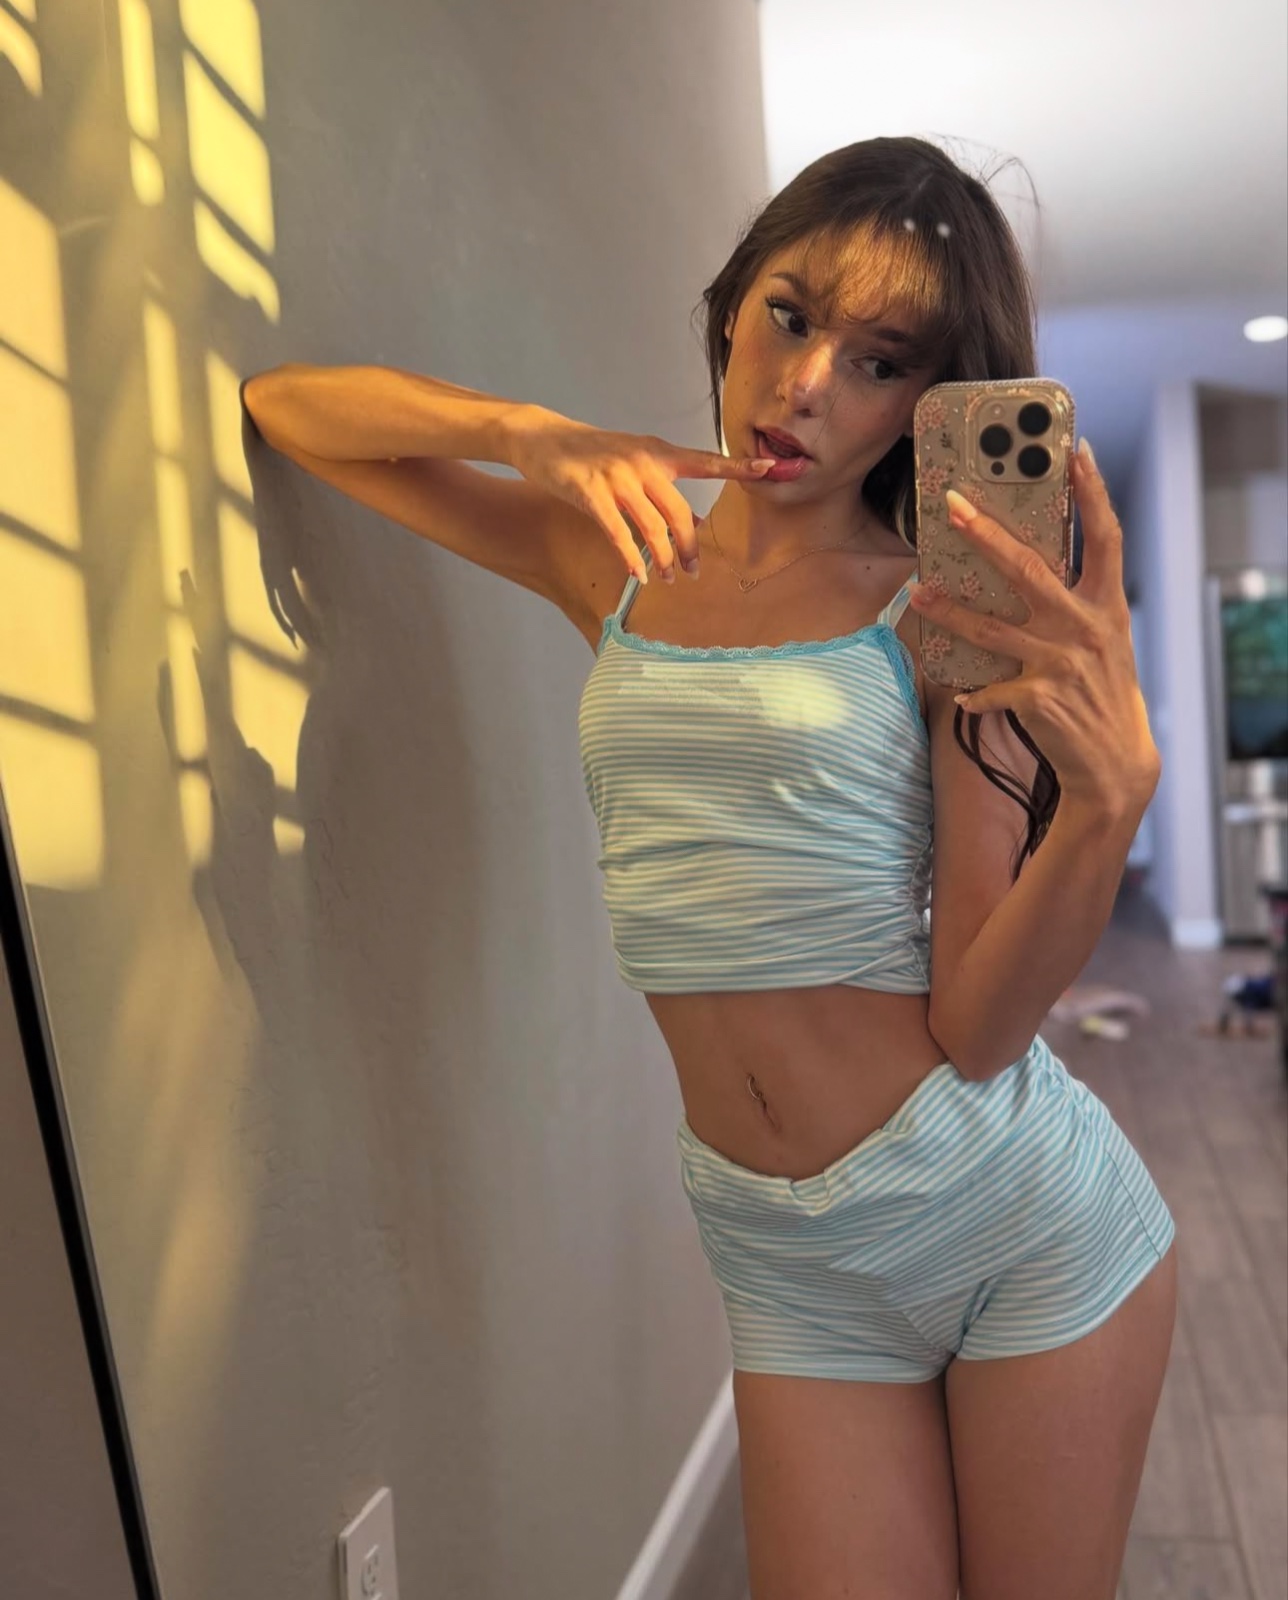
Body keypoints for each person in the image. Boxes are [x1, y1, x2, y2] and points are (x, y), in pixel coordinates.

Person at [243, 135, 1178, 1600]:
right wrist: (530, 432)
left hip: (1012, 1222)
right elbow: (292, 412)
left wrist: (1108, 809)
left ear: (927, 404)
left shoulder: (936, 613)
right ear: (732, 306)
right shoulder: (619, 560)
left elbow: (981, 1024)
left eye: (879, 362)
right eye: (789, 316)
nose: (805, 383)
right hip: (782, 1259)